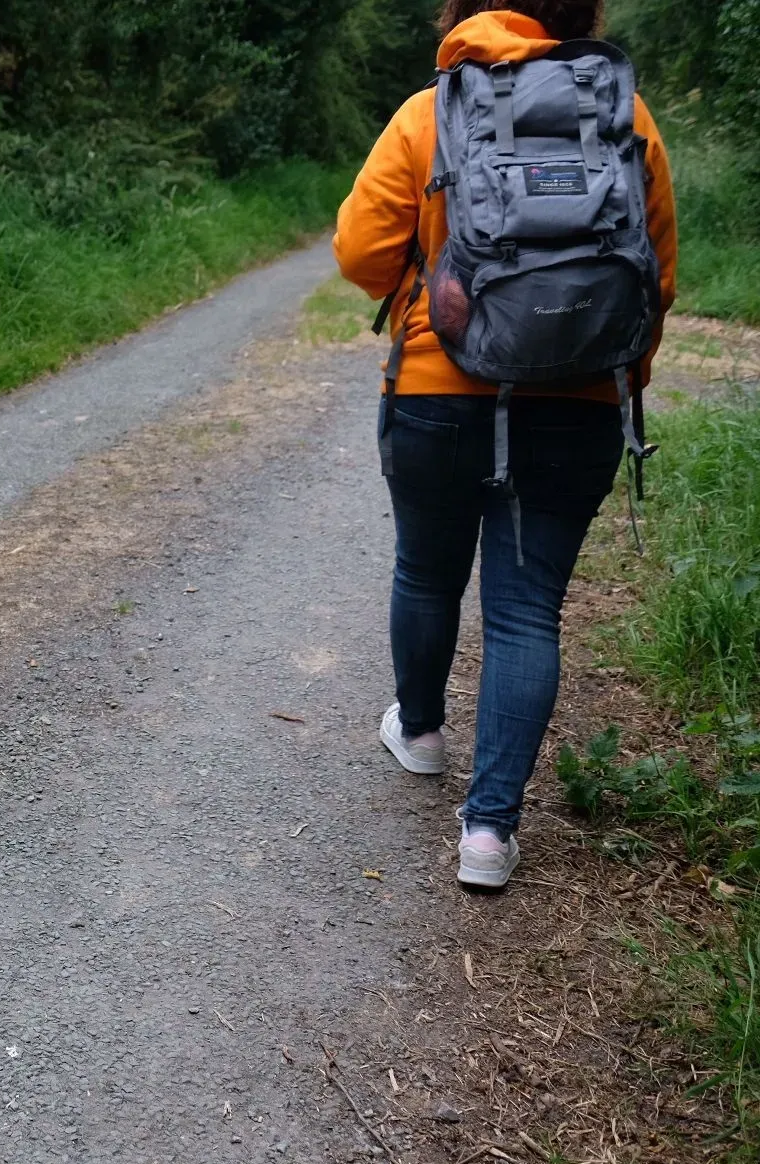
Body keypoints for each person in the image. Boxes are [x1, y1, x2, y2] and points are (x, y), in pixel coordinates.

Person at [334, 0, 676, 889]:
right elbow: (656, 275)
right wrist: (614, 373)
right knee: (526, 612)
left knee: (427, 571)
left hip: (440, 394)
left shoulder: (430, 112)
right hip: (578, 405)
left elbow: (360, 253)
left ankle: (419, 733)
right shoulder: (624, 116)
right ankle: (487, 836)